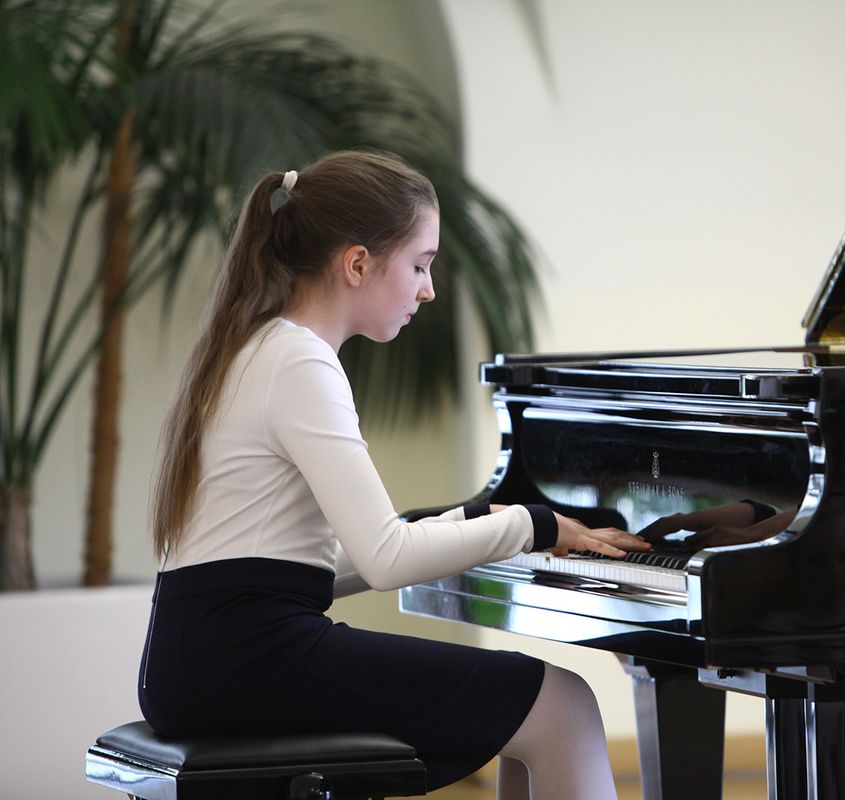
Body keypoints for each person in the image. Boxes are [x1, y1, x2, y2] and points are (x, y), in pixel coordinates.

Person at [138, 150, 651, 799]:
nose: (428, 289)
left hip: (201, 663)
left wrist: (474, 521)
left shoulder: (258, 347)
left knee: (536, 703)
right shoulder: (299, 362)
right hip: (248, 662)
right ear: (357, 264)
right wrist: (533, 525)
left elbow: (306, 569)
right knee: (560, 703)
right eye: (420, 264)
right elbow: (385, 558)